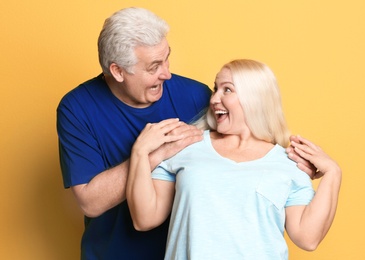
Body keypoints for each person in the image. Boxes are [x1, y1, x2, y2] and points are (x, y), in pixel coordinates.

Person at [127, 59, 342, 259]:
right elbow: (144, 218)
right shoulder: (186, 145)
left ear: (254, 97)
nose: (214, 99)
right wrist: (139, 153)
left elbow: (308, 238)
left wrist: (333, 173)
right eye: (215, 89)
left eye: (227, 90)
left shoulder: (289, 163)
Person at [56, 7, 212, 259]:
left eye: (166, 58)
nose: (167, 73)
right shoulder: (77, 108)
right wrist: (151, 154)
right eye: (153, 67)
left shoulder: (197, 96)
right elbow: (90, 202)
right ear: (117, 71)